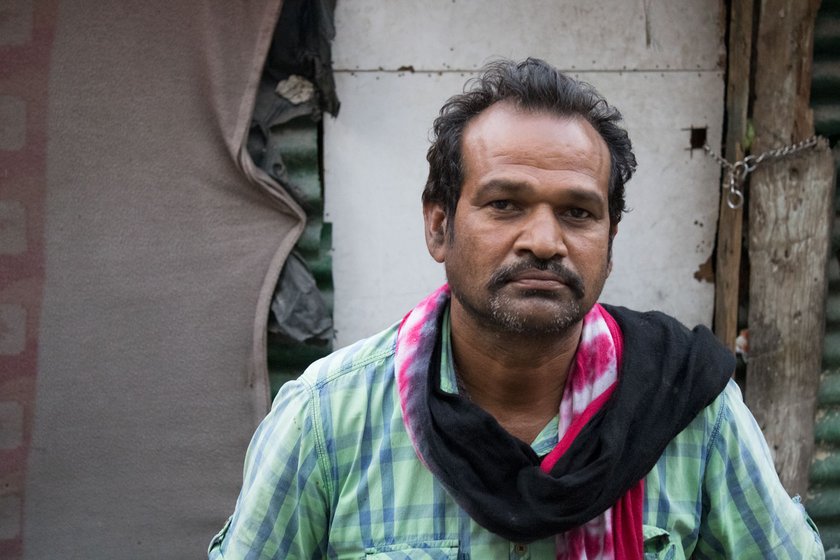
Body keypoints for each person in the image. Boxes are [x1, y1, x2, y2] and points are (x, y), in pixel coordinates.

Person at [209, 58, 824, 559]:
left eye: (578, 213)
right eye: (504, 204)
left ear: (610, 243)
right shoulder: (328, 419)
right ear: (439, 225)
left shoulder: (692, 411)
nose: (544, 241)